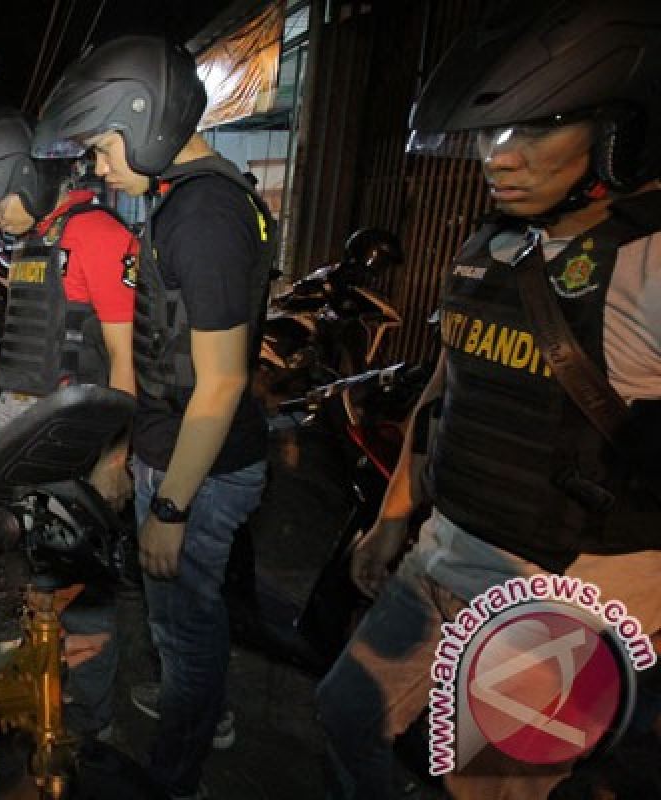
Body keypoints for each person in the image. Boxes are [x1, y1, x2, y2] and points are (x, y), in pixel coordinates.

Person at [314, 3, 661, 797]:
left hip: (567, 594)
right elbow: (449, 384)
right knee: (343, 718)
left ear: (618, 129)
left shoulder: (649, 260)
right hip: (447, 549)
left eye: (535, 130)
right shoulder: (493, 246)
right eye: (490, 134)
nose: (498, 158)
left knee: (486, 790)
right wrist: (393, 514)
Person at [33, 35, 277, 799]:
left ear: (147, 121)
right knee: (188, 621)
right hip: (179, 453)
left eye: (103, 147)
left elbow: (222, 380)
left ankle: (179, 772)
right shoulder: (193, 197)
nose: (98, 166)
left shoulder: (202, 214)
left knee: (182, 626)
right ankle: (202, 712)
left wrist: (169, 506)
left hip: (195, 471)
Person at [0, 107, 137, 739]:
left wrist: (114, 461)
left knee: (85, 599)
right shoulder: (40, 240)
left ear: (27, 177)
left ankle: (89, 729)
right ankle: (46, 696)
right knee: (42, 584)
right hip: (35, 441)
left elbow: (126, 362)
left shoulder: (99, 236)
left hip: (80, 450)